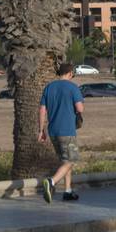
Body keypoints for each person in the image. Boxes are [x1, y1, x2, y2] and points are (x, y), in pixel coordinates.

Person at [39, 62, 85, 203]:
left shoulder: (49, 87)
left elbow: (42, 110)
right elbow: (80, 108)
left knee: (65, 161)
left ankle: (67, 191)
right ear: (70, 73)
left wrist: (41, 130)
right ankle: (51, 182)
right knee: (71, 160)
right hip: (67, 130)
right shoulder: (73, 87)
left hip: (53, 131)